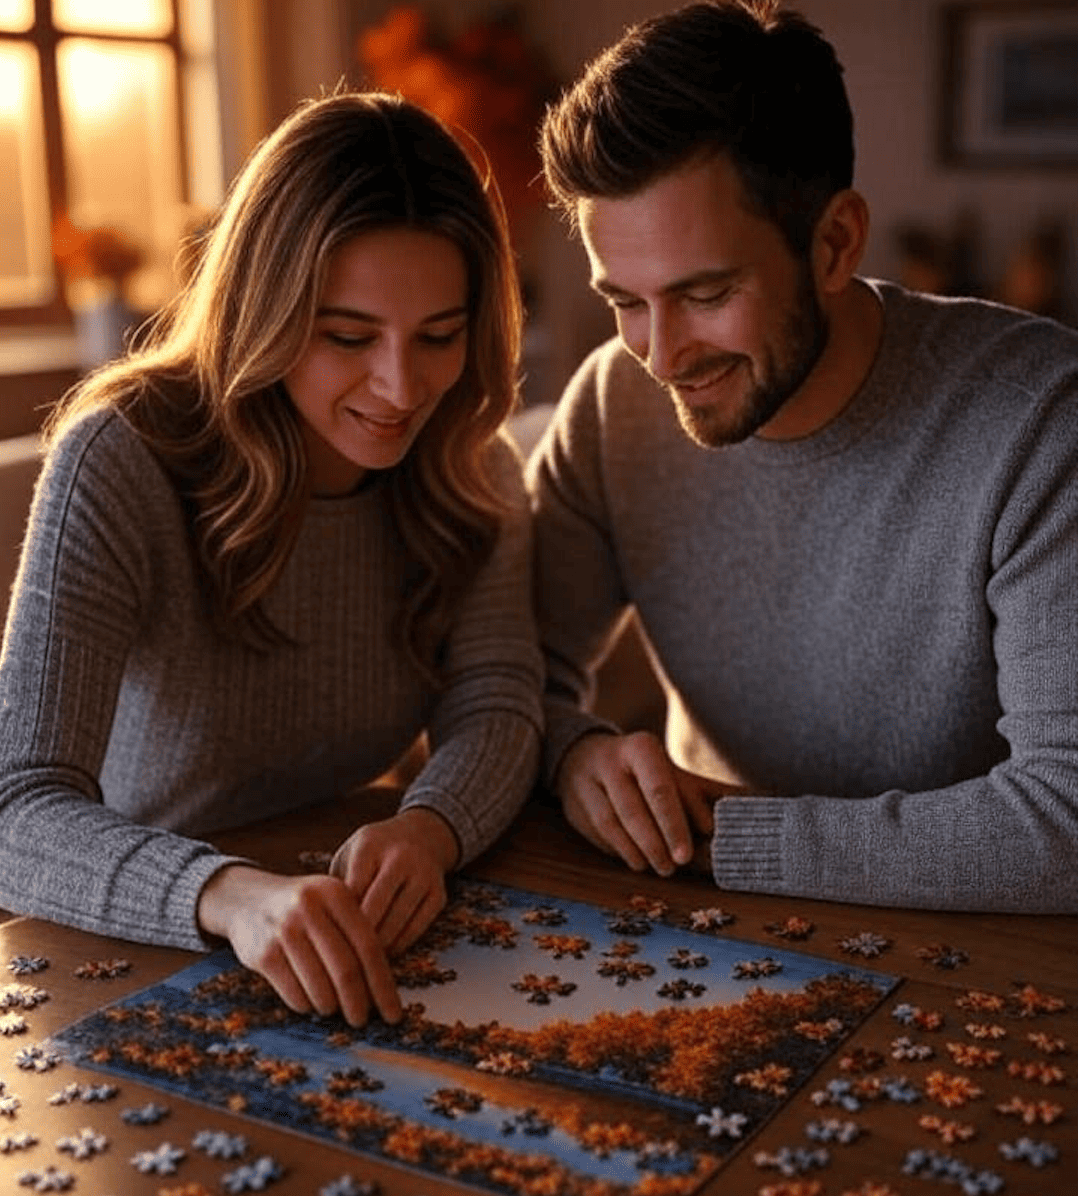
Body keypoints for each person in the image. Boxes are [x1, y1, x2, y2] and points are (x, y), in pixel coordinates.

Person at [0, 91, 543, 1023]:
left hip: (334, 933)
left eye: (439, 337)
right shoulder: (120, 461)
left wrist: (430, 826)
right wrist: (232, 894)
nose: (401, 386)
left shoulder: (468, 464)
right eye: (348, 337)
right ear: (266, 306)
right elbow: (15, 805)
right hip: (128, 942)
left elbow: (498, 699)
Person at [528, 0, 1078, 912]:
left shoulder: (1041, 425)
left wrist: (730, 837)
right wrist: (575, 752)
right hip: (696, 929)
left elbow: (1064, 825)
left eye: (705, 293)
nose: (661, 357)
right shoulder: (611, 401)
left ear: (835, 243)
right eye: (624, 300)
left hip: (982, 953)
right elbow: (506, 675)